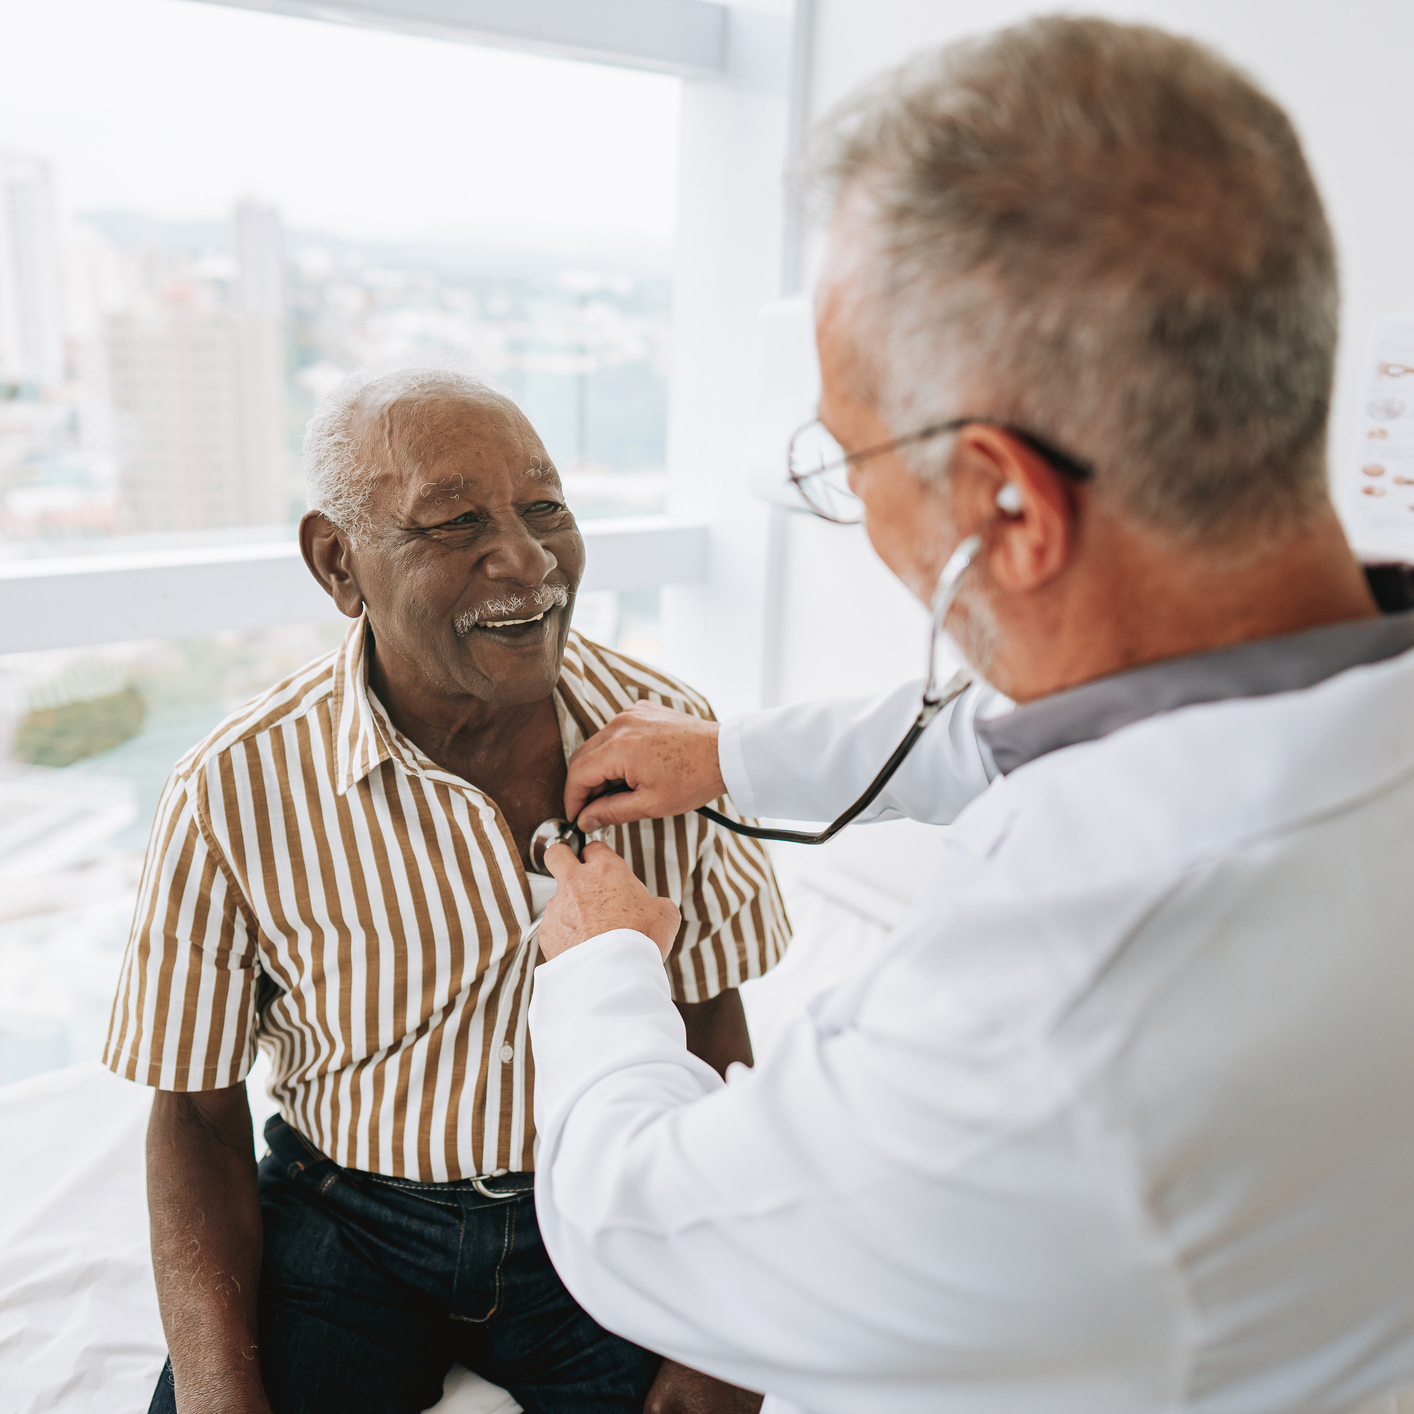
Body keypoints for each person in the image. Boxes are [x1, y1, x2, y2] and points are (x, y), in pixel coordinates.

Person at [526, 18, 1414, 1414]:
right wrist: (729, 754)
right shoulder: (1311, 684)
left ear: (1006, 504)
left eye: (842, 456)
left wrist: (601, 965)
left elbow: (635, 1218)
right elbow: (1025, 732)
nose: (850, 500)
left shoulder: (1065, 1018)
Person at [103, 368, 786, 1414]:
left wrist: (722, 1338)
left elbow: (710, 1026)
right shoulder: (232, 786)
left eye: (544, 506)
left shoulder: (668, 731)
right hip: (349, 1220)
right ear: (338, 562)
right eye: (455, 520)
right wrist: (216, 1391)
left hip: (597, 1200)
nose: (523, 557)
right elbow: (195, 1113)